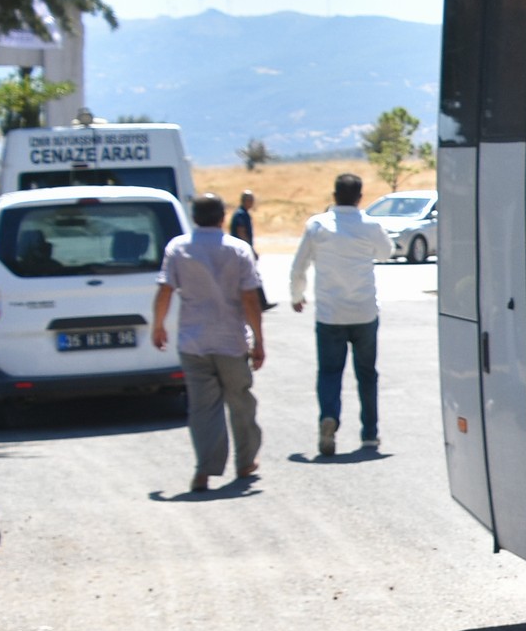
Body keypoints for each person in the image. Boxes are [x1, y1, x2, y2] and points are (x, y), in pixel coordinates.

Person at [150, 194, 267, 493]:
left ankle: (204, 469)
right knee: (240, 402)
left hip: (194, 342)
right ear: (222, 216)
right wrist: (259, 340)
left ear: (194, 216)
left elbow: (165, 289)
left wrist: (159, 325)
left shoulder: (178, 247)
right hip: (231, 341)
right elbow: (250, 298)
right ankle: (245, 461)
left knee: (203, 409)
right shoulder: (238, 249)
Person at [288, 171, 393, 455]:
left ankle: (329, 418)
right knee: (367, 374)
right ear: (360, 197)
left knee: (330, 372)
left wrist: (297, 296)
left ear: (334, 196)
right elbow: (386, 252)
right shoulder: (370, 225)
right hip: (364, 311)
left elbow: (299, 267)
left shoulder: (318, 226)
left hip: (330, 313)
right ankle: (370, 434)